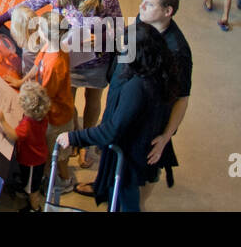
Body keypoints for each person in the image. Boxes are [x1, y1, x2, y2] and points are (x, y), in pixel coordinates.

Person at [0, 0, 121, 168]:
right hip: (67, 60)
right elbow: (31, 3)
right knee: (69, 102)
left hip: (96, 61)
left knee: (93, 102)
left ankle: (86, 144)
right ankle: (75, 137)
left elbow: (119, 27)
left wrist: (102, 37)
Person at [56, 20, 172, 212]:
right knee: (117, 193)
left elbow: (113, 130)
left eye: (125, 47)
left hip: (130, 154)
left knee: (126, 199)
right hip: (130, 146)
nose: (121, 49)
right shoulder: (154, 67)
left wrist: (74, 137)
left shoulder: (138, 86)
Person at [5, 8, 75, 194]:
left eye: (40, 27)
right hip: (49, 112)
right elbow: (37, 66)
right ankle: (47, 175)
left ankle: (65, 180)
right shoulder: (48, 46)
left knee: (58, 153)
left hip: (58, 117)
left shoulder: (56, 64)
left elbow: (45, 96)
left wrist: (27, 101)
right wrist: (21, 81)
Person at [137, 0, 191, 207]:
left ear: (167, 11)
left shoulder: (177, 51)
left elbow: (182, 98)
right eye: (142, 1)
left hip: (155, 119)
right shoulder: (144, 22)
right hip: (137, 105)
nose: (141, 7)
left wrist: (165, 137)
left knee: (150, 165)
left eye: (148, 4)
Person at [0, 80, 51, 212]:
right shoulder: (42, 117)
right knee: (31, 181)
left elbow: (14, 135)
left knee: (33, 189)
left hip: (32, 161)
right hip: (39, 156)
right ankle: (28, 186)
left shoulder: (27, 125)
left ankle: (35, 207)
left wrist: (2, 121)